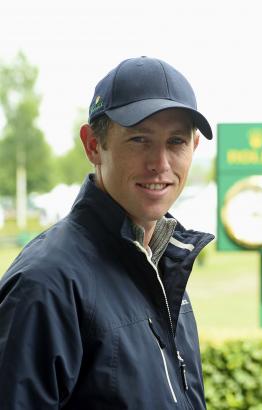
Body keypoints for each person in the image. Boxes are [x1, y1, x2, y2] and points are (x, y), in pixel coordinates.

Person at [0, 56, 214, 409]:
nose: (160, 163)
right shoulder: (45, 283)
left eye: (175, 141)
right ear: (93, 145)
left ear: (194, 148)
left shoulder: (165, 264)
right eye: (140, 139)